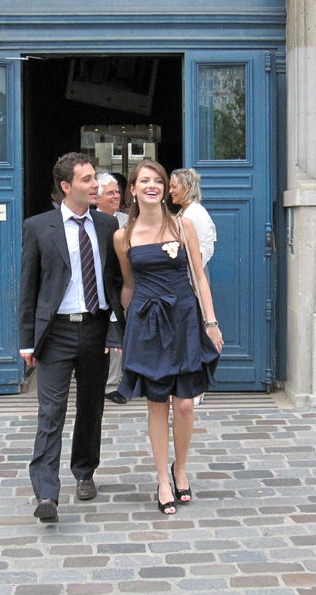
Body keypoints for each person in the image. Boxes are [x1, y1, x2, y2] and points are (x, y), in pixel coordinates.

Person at [19, 152, 124, 523]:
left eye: (95, 177)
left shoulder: (107, 225)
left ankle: (84, 471)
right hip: (56, 332)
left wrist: (115, 328)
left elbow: (115, 283)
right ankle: (46, 492)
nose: (96, 185)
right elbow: (28, 287)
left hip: (96, 328)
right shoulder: (38, 227)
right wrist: (27, 341)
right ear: (66, 186)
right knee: (51, 411)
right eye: (87, 179)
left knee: (91, 407)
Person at [113, 159, 223, 514]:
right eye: (144, 181)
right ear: (133, 189)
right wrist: (127, 329)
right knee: (157, 402)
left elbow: (200, 276)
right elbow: (128, 285)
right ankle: (162, 478)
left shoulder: (182, 224)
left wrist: (211, 322)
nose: (152, 186)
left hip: (184, 318)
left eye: (158, 181)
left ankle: (181, 467)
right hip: (147, 323)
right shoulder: (123, 236)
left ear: (164, 189)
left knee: (185, 404)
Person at [169, 168, 217, 406]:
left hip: (193, 278)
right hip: (186, 278)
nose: (170, 191)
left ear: (187, 187)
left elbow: (206, 248)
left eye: (174, 186)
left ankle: (197, 387)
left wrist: (188, 266)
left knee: (196, 332)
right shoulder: (184, 212)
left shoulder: (196, 213)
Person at [95, 172, 129, 405]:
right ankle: (106, 382)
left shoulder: (129, 221)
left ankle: (119, 383)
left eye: (117, 192)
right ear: (96, 198)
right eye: (110, 193)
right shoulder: (88, 221)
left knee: (121, 336)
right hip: (99, 289)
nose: (116, 196)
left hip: (126, 286)